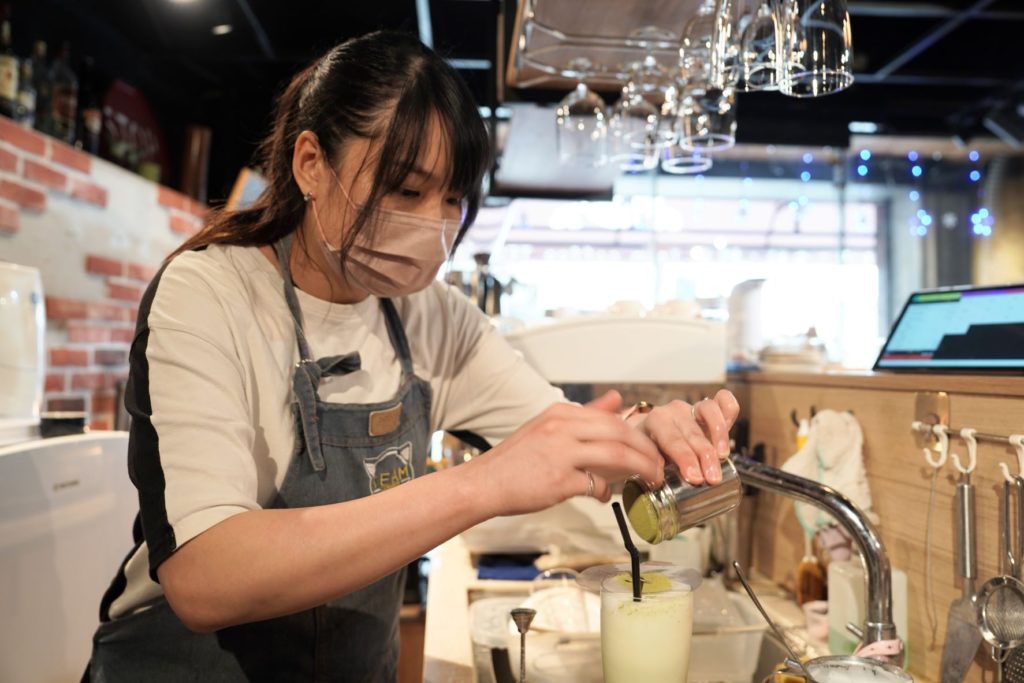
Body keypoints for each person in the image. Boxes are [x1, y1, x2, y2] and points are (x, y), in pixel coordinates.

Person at [86, 30, 740, 682]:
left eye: (453, 198)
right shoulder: (209, 294)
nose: (434, 223)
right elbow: (208, 577)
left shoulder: (433, 320)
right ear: (311, 162)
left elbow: (561, 438)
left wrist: (648, 437)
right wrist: (482, 484)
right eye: (405, 190)